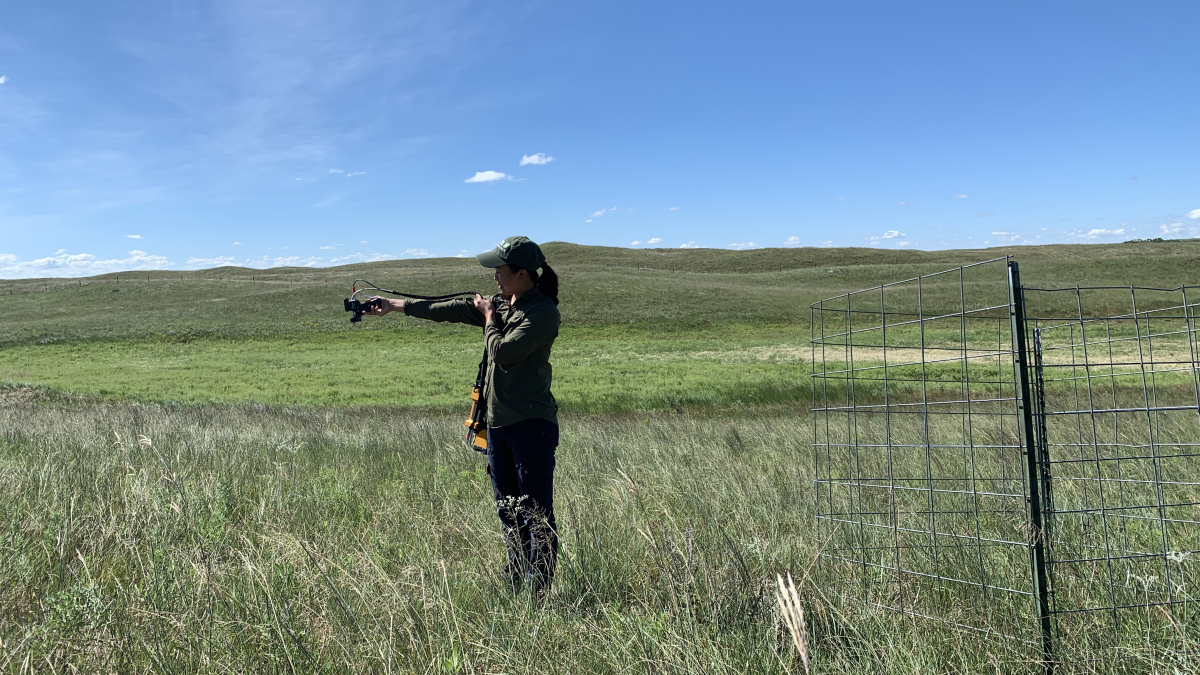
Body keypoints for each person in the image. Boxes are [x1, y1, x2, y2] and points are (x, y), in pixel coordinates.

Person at [366, 236, 562, 591]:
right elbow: (449, 309)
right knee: (508, 511)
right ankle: (515, 583)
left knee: (536, 514)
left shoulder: (543, 312)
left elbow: (504, 352)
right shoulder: (503, 306)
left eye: (500, 271)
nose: (494, 277)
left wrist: (488, 317)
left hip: (532, 426)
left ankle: (540, 593)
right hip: (498, 426)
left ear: (521, 273)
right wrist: (392, 306)